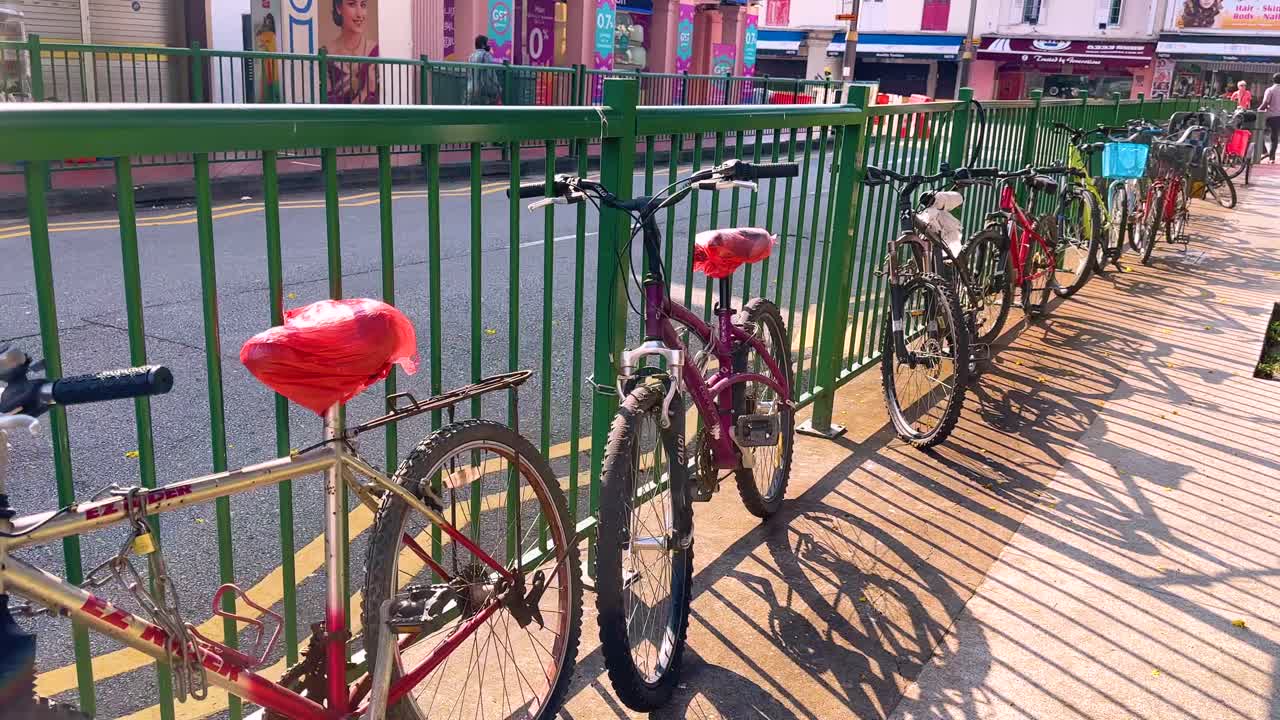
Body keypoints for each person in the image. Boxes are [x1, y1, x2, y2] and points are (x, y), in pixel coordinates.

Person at [322, 0, 379, 104]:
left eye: (363, 5)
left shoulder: (376, 52)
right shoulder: (325, 55)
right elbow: (328, 109)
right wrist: (365, 93)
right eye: (352, 4)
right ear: (338, 8)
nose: (359, 14)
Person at [468, 35, 503, 105]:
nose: (489, 46)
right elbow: (491, 74)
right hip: (484, 90)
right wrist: (498, 87)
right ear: (483, 45)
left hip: (472, 88)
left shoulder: (471, 56)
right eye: (488, 44)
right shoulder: (486, 55)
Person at [1257, 74, 1280, 162]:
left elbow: (1266, 103)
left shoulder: (1270, 90)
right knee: (1275, 136)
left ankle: (1264, 151)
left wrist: (1258, 110)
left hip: (1269, 116)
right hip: (1278, 116)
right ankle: (1272, 158)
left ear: (1273, 80)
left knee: (1258, 132)